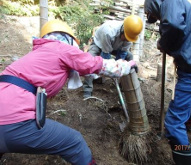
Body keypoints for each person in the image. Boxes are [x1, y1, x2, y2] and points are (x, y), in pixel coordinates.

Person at [0, 19, 137, 165]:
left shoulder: (36, 54)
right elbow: (97, 64)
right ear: (68, 39)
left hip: (7, 112)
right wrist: (126, 66)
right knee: (74, 142)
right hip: (12, 120)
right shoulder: (62, 48)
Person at [144, 0, 191, 165]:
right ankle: (188, 126)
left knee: (172, 123)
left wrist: (163, 43)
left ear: (152, 6)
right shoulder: (176, 5)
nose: (157, 18)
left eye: (155, 16)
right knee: (185, 97)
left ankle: (185, 156)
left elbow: (174, 25)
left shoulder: (170, 2)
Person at [83, 15, 143, 98]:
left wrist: (120, 69)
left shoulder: (130, 36)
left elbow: (122, 54)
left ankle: (123, 85)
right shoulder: (108, 31)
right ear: (123, 30)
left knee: (129, 57)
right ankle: (87, 90)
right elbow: (105, 57)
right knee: (89, 60)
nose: (127, 40)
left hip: (115, 46)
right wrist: (112, 71)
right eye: (126, 38)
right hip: (99, 43)